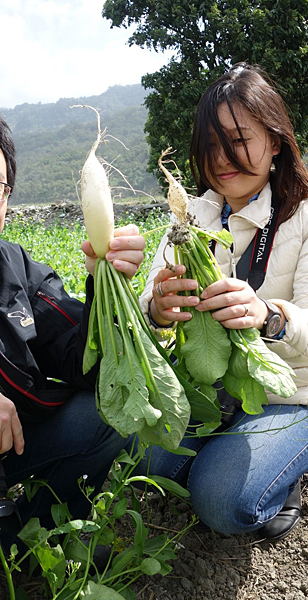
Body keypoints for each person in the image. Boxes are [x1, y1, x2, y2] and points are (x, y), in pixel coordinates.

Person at [0, 85, 145, 598]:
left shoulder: (11, 268)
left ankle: (25, 542)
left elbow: (88, 360)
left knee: (106, 411)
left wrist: (112, 291)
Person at [139, 63, 308, 542]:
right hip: (215, 387)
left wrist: (269, 316)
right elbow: (151, 302)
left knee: (221, 500)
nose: (222, 157)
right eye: (210, 145)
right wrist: (158, 309)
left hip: (291, 391)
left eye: (238, 139)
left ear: (275, 141)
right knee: (149, 460)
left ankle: (283, 473)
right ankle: (231, 447)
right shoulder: (191, 214)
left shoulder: (304, 215)